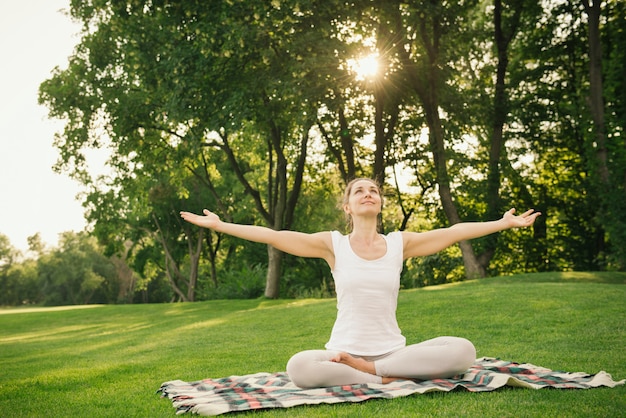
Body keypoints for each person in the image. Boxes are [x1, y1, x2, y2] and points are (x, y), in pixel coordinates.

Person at [180, 178, 541, 388]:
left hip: (391, 353)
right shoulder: (333, 244)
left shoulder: (400, 244)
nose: (368, 193)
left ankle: (372, 372)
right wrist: (221, 226)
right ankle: (382, 376)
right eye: (359, 191)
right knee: (299, 366)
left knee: (462, 349)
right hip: (341, 353)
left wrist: (503, 223)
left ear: (380, 203)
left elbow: (452, 232)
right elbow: (273, 236)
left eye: (373, 190)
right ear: (348, 207)